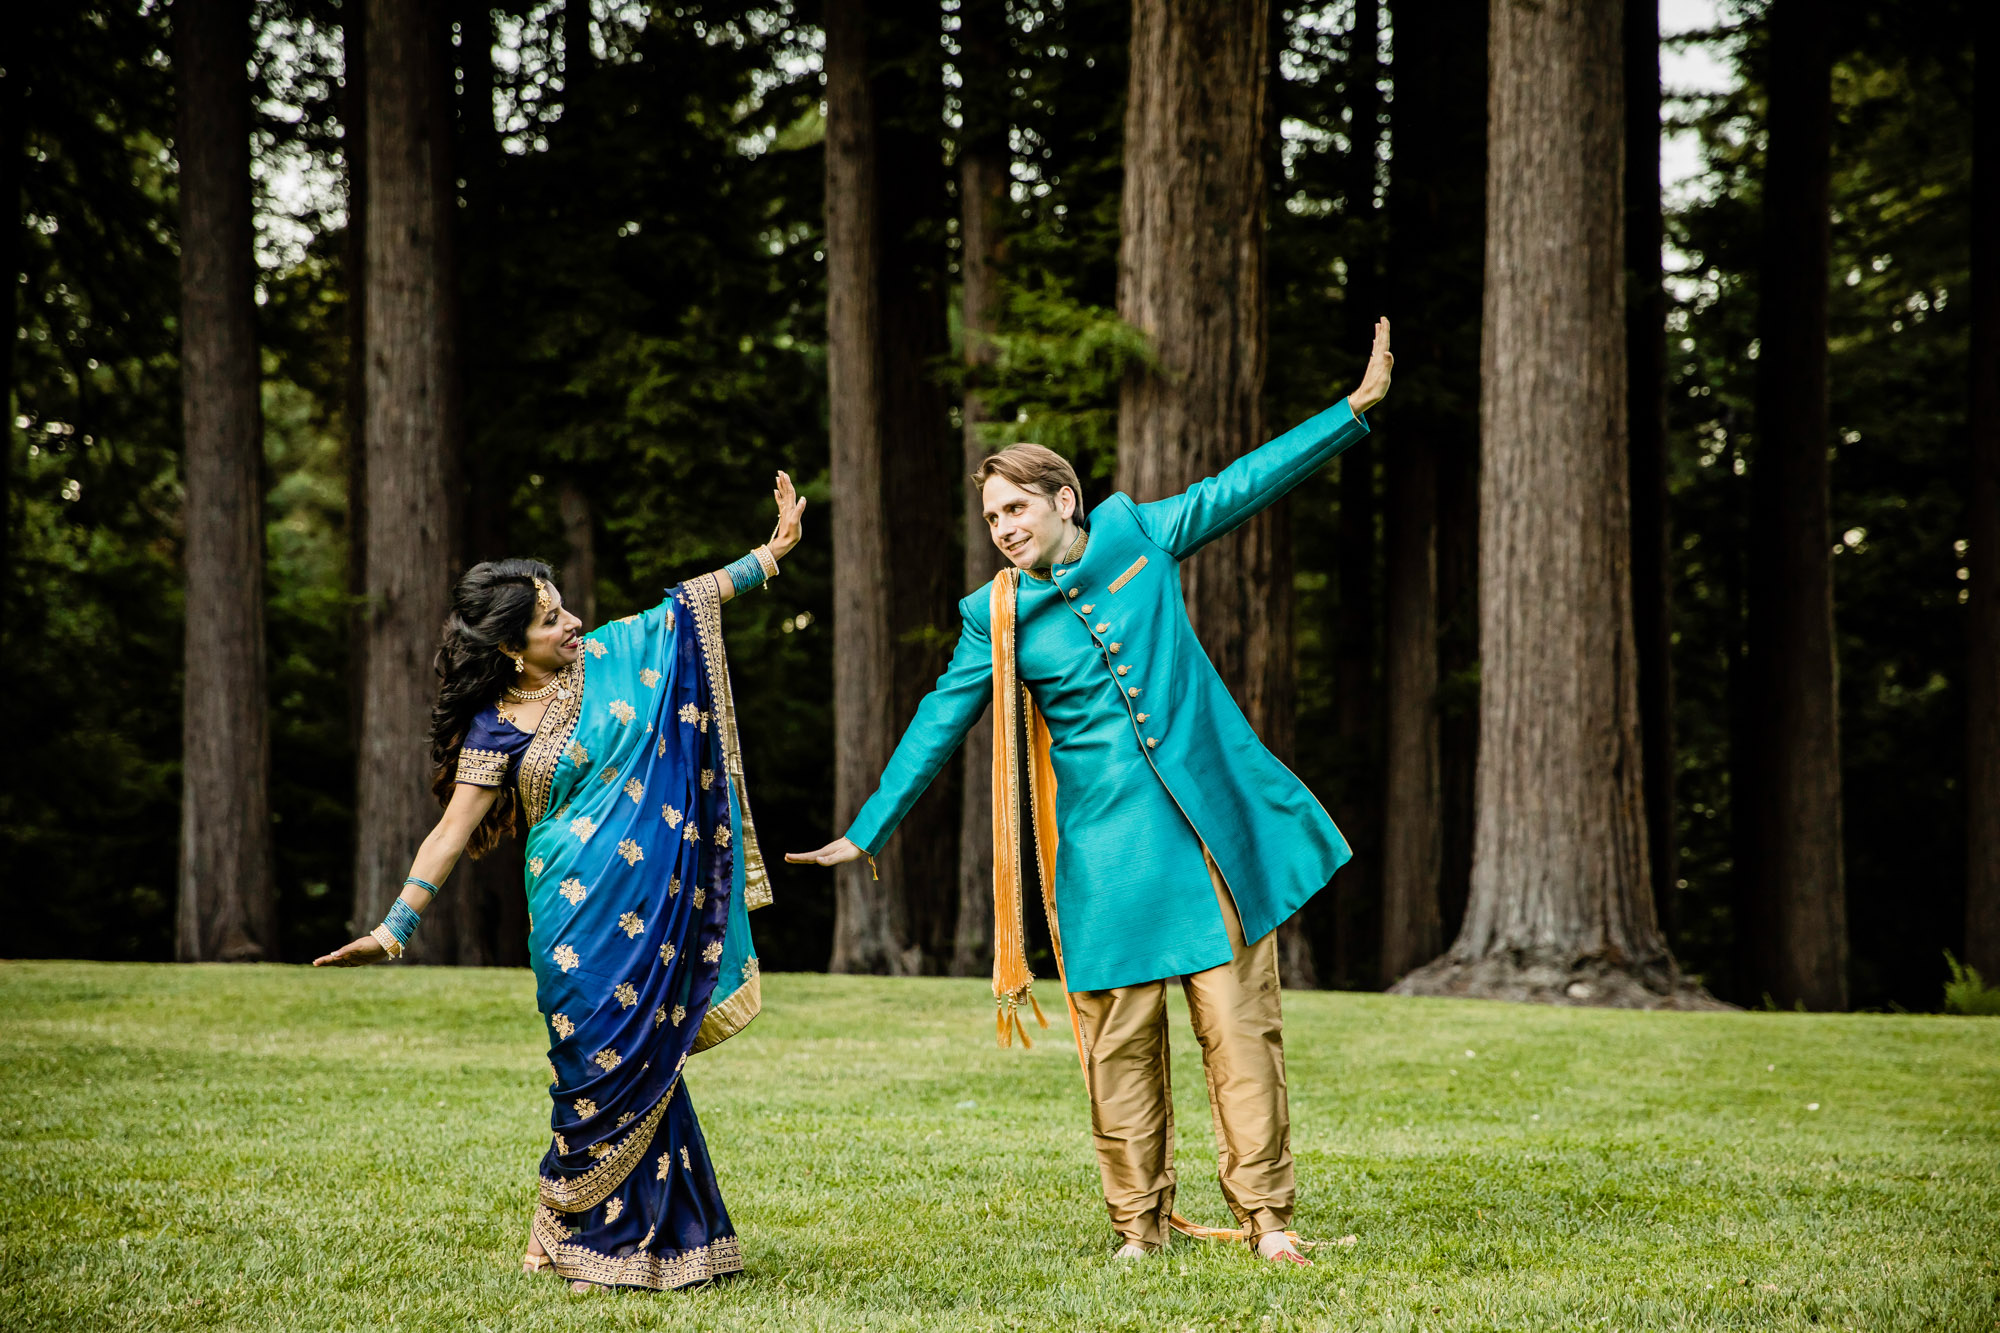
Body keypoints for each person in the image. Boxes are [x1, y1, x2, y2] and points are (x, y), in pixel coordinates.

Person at [790, 320, 1394, 1266]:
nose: (1004, 529)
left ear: (1063, 500)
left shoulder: (1135, 532)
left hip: (1206, 838)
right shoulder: (993, 615)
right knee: (1118, 1052)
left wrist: (1348, 415)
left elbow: (1242, 485)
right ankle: (1137, 1229)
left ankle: (1267, 1219)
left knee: (1240, 1032)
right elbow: (937, 724)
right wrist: (868, 833)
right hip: (1105, 862)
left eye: (1016, 510)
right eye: (992, 520)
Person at [316, 473, 807, 1293]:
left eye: (564, 606)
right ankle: (585, 1231)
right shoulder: (493, 727)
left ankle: (642, 1243)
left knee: (649, 1062)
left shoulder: (611, 658)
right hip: (572, 927)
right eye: (551, 620)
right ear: (511, 648)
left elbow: (687, 606)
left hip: (648, 909)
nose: (573, 621)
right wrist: (394, 927)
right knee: (592, 1069)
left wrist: (770, 553)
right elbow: (450, 833)